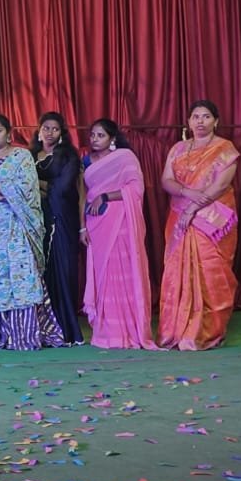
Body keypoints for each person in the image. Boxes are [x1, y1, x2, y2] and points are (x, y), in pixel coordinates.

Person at [0, 114, 64, 351]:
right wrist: (3, 196)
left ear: (8, 134)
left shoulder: (21, 157)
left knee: (20, 274)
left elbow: (27, 190)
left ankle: (24, 332)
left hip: (17, 225)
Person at [159, 100, 239, 351]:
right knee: (177, 272)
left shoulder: (225, 148)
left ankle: (207, 331)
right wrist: (187, 193)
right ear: (188, 121)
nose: (200, 121)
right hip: (179, 217)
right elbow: (166, 180)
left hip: (211, 219)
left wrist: (192, 207)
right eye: (195, 116)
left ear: (216, 121)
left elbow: (220, 185)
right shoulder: (178, 148)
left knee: (211, 271)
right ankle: (176, 330)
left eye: (206, 116)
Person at [81, 119, 157, 350]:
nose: (95, 139)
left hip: (121, 222)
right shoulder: (86, 161)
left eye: (100, 135)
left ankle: (127, 330)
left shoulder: (125, 157)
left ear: (112, 138)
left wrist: (106, 196)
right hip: (96, 224)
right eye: (93, 135)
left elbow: (135, 188)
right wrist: (82, 226)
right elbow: (82, 196)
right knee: (102, 276)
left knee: (121, 271)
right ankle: (106, 331)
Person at [30, 111, 83, 345]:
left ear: (62, 133)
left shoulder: (68, 156)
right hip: (34, 220)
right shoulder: (29, 156)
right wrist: (42, 186)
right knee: (37, 271)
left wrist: (37, 184)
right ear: (39, 131)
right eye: (46, 128)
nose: (50, 132)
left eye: (55, 128)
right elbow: (20, 185)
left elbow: (63, 188)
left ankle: (65, 329)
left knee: (62, 269)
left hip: (62, 218)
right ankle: (40, 329)